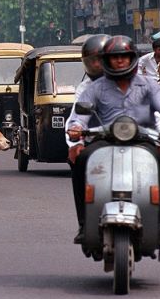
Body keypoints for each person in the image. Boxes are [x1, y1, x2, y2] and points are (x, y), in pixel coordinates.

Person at [67, 35, 160, 247]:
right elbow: (79, 115)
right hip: (105, 139)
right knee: (80, 160)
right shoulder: (95, 87)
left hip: (142, 139)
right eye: (115, 57)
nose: (120, 61)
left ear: (132, 58)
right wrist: (76, 131)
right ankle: (85, 224)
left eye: (124, 56)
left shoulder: (148, 85)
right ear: (107, 60)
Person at [65, 34, 110, 233]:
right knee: (79, 160)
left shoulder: (138, 82)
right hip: (99, 140)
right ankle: (85, 223)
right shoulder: (86, 88)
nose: (98, 65)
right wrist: (75, 140)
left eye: (102, 60)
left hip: (135, 139)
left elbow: (156, 113)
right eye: (93, 61)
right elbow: (76, 118)